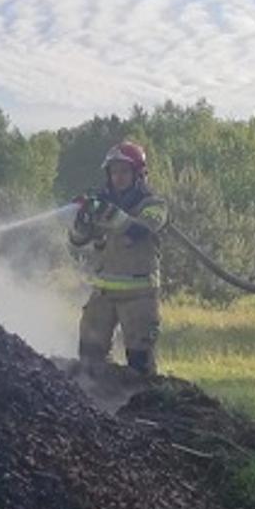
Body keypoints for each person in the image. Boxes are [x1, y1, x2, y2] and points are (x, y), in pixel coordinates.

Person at [69, 141, 170, 374]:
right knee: (89, 358)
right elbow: (76, 241)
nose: (118, 177)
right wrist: (81, 222)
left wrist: (110, 214)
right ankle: (98, 403)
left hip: (139, 298)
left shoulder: (154, 205)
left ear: (139, 174)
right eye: (113, 172)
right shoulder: (102, 205)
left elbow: (141, 229)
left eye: (124, 171)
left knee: (139, 364)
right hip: (102, 296)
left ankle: (141, 408)